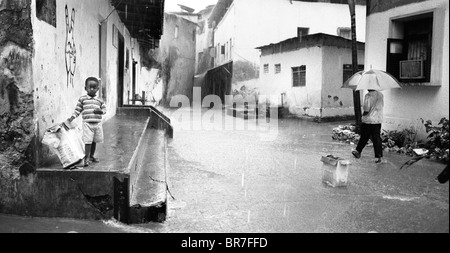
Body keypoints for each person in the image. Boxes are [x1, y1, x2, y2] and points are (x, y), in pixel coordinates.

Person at [67, 77, 106, 167]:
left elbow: (104, 109)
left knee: (94, 141)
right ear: (85, 88)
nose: (92, 89)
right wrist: (72, 117)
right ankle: (86, 158)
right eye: (90, 87)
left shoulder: (99, 100)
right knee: (88, 141)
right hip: (87, 123)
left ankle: (92, 156)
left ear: (97, 89)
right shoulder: (83, 99)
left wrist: (101, 111)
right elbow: (78, 110)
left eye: (94, 87)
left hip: (97, 124)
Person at [352, 89, 384, 163]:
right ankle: (379, 156)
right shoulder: (380, 95)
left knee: (364, 136)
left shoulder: (368, 95)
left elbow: (366, 109)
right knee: (377, 137)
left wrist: (362, 116)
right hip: (378, 119)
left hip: (368, 120)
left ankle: (358, 151)